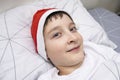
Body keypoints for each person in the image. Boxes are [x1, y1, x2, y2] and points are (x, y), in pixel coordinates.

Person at [31, 8, 120, 80]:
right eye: (57, 34)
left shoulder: (92, 49)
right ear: (44, 50)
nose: (73, 38)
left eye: (72, 29)